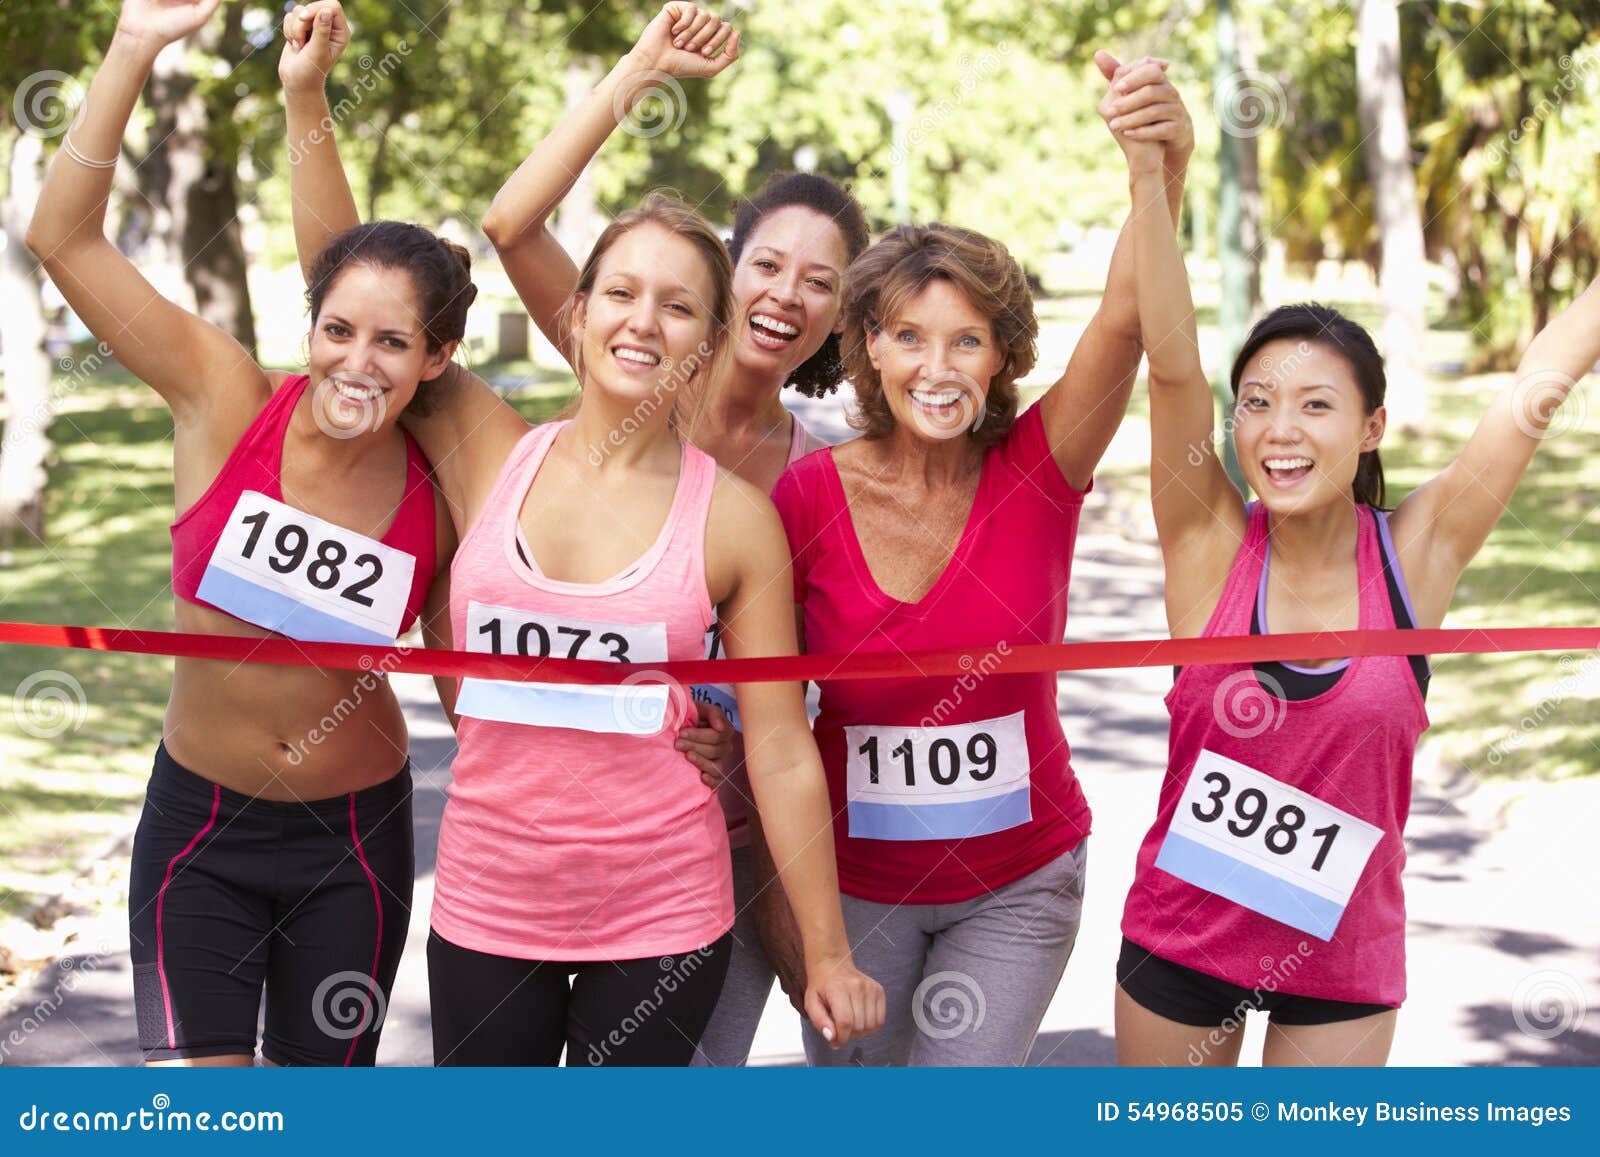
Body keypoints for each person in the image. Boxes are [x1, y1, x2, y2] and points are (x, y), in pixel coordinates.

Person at [281, 0, 870, 1064]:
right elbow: (351, 269)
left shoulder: (736, 519)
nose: (644, 321)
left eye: (680, 307)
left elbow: (782, 745)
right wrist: (306, 98)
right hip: (487, 898)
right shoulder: (490, 446)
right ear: (581, 311)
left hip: (663, 913)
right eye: (622, 294)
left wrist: (824, 952)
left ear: (710, 338)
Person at [1109, 59, 1585, 1065]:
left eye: (1315, 404)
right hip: (1180, 945)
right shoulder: (1205, 542)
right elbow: (1171, 364)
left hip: (1341, 966)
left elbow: (1537, 385)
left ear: (1370, 426)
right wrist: (1152, 175)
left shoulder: (1418, 552)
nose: (1278, 430)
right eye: (1258, 402)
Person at [26, 0, 465, 1066]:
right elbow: (60, 237)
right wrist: (134, 45)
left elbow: (473, 684)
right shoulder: (222, 396)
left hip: (351, 843)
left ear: (436, 360)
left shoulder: (442, 480)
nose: (357, 362)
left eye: (392, 342)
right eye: (337, 329)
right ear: (310, 324)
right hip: (199, 831)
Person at [761, 55, 1194, 1066]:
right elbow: (768, 709)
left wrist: (1154, 168)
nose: (936, 367)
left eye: (966, 341)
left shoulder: (1038, 468)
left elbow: (1126, 321)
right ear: (867, 345)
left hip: (1018, 882)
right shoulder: (805, 498)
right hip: (854, 886)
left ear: (1000, 355)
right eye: (908, 336)